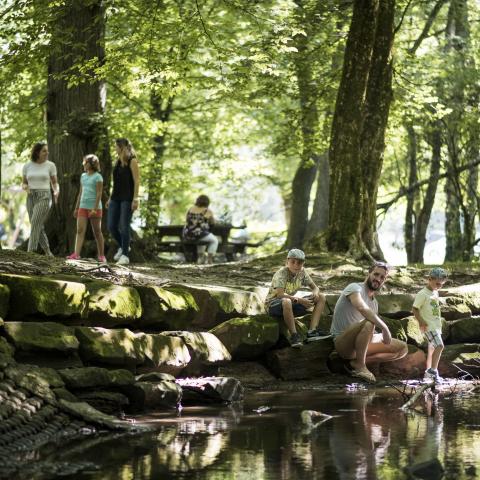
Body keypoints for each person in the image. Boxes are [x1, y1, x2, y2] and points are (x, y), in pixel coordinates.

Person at [330, 261, 408, 383]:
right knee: (370, 322)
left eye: (382, 277)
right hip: (343, 343)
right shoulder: (354, 288)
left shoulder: (374, 303)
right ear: (369, 273)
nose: (378, 279)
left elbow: (368, 330)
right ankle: (360, 366)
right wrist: (384, 328)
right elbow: (362, 308)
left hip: (359, 345)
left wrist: (381, 336)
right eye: (376, 274)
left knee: (402, 349)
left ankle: (353, 364)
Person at [265, 248, 327, 348]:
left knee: (321, 297)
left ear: (303, 264)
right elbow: (280, 295)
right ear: (287, 262)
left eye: (299, 263)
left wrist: (315, 293)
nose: (296, 265)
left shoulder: (302, 272)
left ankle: (312, 331)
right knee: (286, 301)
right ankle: (294, 336)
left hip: (291, 304)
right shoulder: (281, 273)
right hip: (273, 304)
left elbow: (315, 287)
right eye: (293, 262)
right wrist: (300, 300)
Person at [21, 142, 59, 255]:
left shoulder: (50, 165)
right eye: (44, 151)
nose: (47, 153)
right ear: (37, 152)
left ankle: (30, 252)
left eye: (47, 151)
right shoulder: (27, 166)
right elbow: (23, 183)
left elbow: (55, 183)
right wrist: (25, 187)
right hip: (31, 197)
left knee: (35, 221)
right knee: (37, 224)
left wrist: (56, 191)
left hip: (44, 196)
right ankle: (48, 251)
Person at [107, 138, 140, 265]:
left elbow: (137, 181)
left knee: (124, 225)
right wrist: (110, 198)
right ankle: (124, 245)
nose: (115, 148)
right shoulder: (117, 162)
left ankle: (125, 255)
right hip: (115, 198)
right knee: (111, 226)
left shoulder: (133, 161)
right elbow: (116, 183)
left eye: (116, 146)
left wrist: (135, 198)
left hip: (128, 198)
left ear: (122, 147)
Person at [67, 155, 105, 262]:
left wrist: (94, 208)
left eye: (85, 162)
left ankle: (101, 256)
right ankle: (76, 254)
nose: (83, 164)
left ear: (91, 164)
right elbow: (80, 193)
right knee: (79, 230)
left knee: (97, 232)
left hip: (95, 208)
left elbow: (99, 194)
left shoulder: (98, 177)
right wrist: (76, 207)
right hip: (83, 206)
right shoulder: (83, 176)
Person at [412, 267, 447, 383]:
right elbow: (415, 309)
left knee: (432, 349)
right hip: (429, 326)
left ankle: (428, 373)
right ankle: (433, 371)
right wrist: (421, 321)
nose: (439, 286)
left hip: (436, 326)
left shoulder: (435, 292)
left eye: (441, 284)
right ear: (429, 279)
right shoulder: (422, 294)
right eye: (437, 283)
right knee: (440, 346)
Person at [182, 194, 218, 264]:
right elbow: (212, 223)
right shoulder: (207, 211)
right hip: (199, 233)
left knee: (202, 238)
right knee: (214, 240)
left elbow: (187, 220)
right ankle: (209, 259)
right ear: (207, 202)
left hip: (187, 234)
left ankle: (200, 258)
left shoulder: (190, 209)